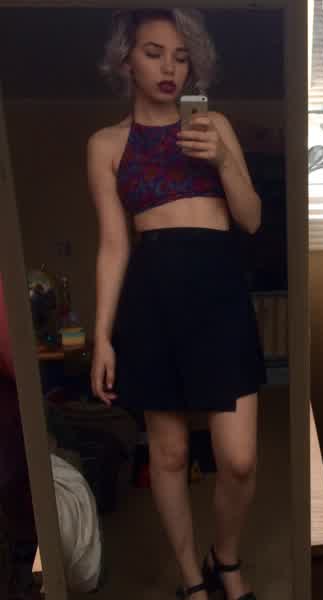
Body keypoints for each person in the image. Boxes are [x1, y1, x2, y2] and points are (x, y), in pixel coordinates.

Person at [88, 9, 267, 600]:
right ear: (126, 61)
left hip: (219, 296)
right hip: (153, 302)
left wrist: (222, 159)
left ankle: (226, 558)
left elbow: (251, 219)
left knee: (238, 459)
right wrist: (103, 336)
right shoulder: (106, 145)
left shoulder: (216, 125)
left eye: (181, 56)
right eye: (154, 52)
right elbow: (114, 246)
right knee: (167, 455)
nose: (170, 67)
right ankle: (193, 579)